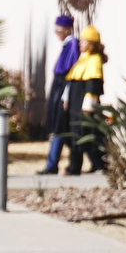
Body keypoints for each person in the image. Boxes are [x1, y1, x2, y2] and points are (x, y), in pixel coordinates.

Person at [64, 24, 107, 175]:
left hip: (84, 106)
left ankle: (77, 167)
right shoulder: (83, 59)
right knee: (77, 134)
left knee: (85, 136)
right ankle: (94, 165)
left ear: (92, 43)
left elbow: (93, 86)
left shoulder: (95, 60)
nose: (80, 43)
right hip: (75, 104)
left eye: (83, 41)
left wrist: (88, 105)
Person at [42, 14, 79, 175]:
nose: (57, 32)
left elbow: (71, 73)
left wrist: (66, 96)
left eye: (59, 29)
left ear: (67, 29)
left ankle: (52, 165)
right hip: (58, 88)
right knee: (60, 129)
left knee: (59, 129)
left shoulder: (72, 45)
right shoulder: (66, 45)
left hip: (63, 90)